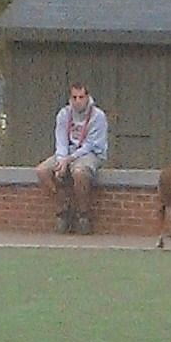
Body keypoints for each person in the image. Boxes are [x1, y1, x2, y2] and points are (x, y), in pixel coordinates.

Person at [36, 79, 109, 232]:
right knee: (42, 171)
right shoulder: (64, 114)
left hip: (90, 153)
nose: (77, 101)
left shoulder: (98, 116)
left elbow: (91, 144)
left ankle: (83, 214)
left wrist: (69, 159)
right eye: (74, 97)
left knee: (79, 172)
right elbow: (61, 139)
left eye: (81, 97)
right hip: (67, 153)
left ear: (87, 97)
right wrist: (62, 160)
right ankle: (63, 209)